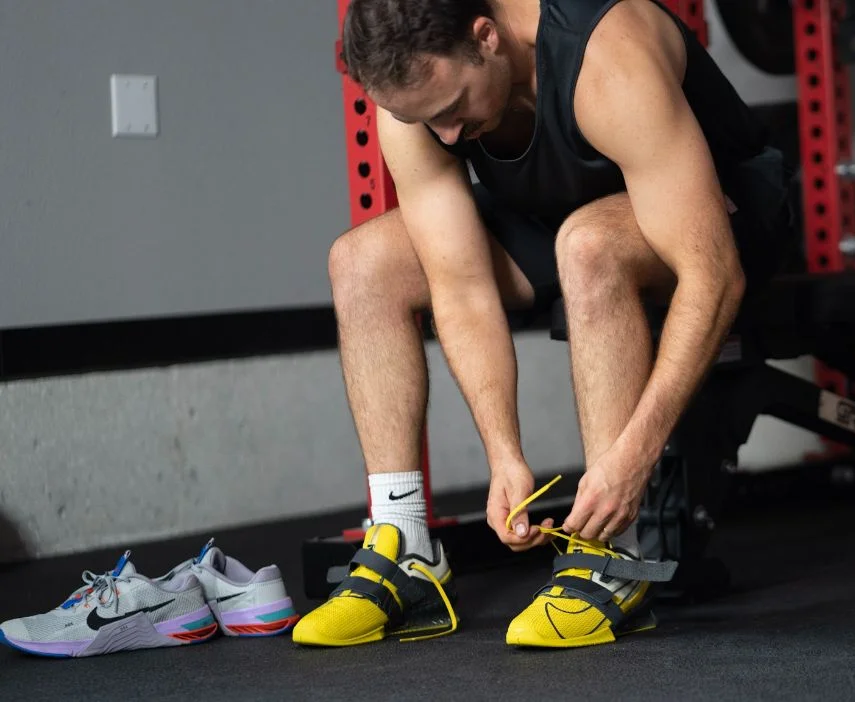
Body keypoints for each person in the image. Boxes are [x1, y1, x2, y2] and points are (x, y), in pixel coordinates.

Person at [292, 0, 795, 649]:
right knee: (363, 263)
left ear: (485, 37)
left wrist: (632, 459)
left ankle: (612, 557)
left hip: (718, 211)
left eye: (454, 108)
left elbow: (713, 275)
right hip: (559, 212)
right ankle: (405, 545)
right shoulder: (417, 98)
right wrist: (504, 457)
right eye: (426, 120)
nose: (448, 136)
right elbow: (462, 286)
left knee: (590, 246)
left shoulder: (603, 51)